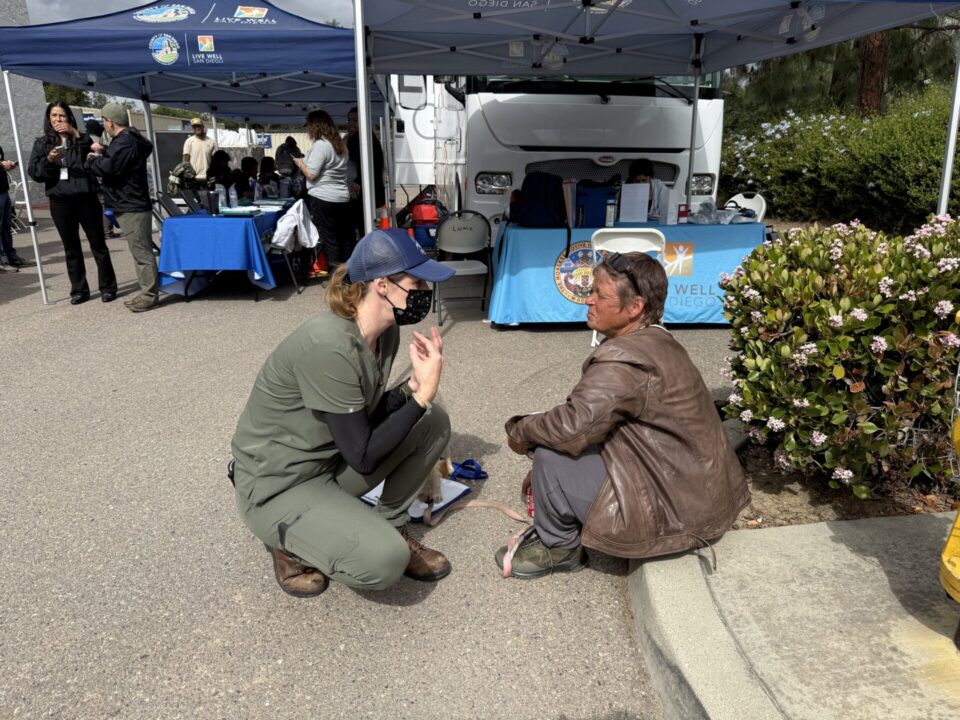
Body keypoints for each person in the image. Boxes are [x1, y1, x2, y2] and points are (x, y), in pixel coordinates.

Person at [230, 228, 456, 597]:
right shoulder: (329, 345)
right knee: (384, 561)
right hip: (278, 485)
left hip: (330, 459)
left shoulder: (385, 332)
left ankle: (389, 522)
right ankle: (285, 540)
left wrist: (414, 388)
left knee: (433, 421)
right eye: (418, 281)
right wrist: (420, 397)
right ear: (382, 285)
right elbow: (364, 455)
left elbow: (365, 414)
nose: (426, 292)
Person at [498, 251, 749, 577]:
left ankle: (559, 548)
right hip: (700, 501)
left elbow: (571, 427)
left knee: (550, 454)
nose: (589, 301)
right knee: (564, 442)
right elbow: (594, 420)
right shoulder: (659, 339)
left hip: (677, 516)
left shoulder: (623, 358)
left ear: (635, 308)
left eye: (600, 296)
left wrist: (519, 431)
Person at [29, 102, 118, 305]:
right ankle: (79, 289)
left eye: (62, 116)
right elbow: (35, 173)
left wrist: (75, 133)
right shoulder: (42, 144)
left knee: (98, 244)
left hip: (86, 197)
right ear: (48, 119)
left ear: (69, 118)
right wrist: (50, 161)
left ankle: (108, 287)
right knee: (71, 248)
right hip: (60, 201)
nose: (58, 120)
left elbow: (95, 153)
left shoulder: (81, 138)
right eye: (54, 116)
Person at [86, 102, 159, 313]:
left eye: (104, 122)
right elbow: (124, 159)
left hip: (131, 204)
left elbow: (109, 168)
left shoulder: (124, 141)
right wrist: (108, 149)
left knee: (141, 253)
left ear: (109, 122)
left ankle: (149, 294)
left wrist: (92, 161)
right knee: (140, 251)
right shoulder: (131, 139)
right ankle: (148, 291)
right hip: (132, 202)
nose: (104, 126)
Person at [294, 110, 352, 267]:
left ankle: (336, 278)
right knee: (344, 238)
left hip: (323, 197)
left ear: (316, 126)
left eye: (309, 127)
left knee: (329, 238)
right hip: (341, 197)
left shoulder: (321, 145)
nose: (308, 131)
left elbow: (311, 174)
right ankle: (348, 274)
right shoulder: (340, 145)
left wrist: (300, 163)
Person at [346, 106, 386, 238]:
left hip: (364, 189)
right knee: (360, 224)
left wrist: (358, 181)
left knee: (363, 224)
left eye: (355, 121)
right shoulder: (353, 139)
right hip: (360, 189)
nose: (350, 123)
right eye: (349, 120)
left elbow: (372, 164)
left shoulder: (365, 140)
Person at [0, 142, 26, 270]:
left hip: (3, 189)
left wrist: (7, 165)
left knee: (6, 225)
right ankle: (2, 261)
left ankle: (11, 256)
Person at [182, 118, 215, 183]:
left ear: (203, 126)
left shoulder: (211, 141)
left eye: (198, 126)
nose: (197, 128)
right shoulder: (189, 141)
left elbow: (214, 160)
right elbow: (185, 160)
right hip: (194, 178)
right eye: (194, 126)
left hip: (208, 178)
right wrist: (187, 175)